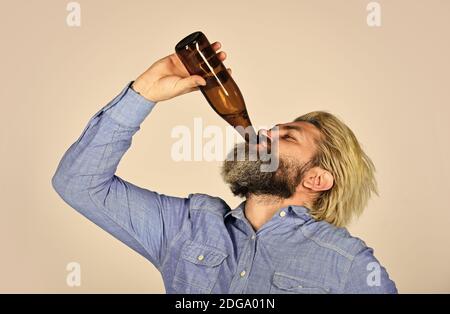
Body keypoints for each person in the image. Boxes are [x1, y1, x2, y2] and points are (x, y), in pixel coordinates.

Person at [52, 40, 397, 294]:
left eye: (287, 137)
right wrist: (143, 93)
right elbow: (78, 183)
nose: (265, 133)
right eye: (273, 130)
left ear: (316, 178)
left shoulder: (347, 262)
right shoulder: (187, 227)